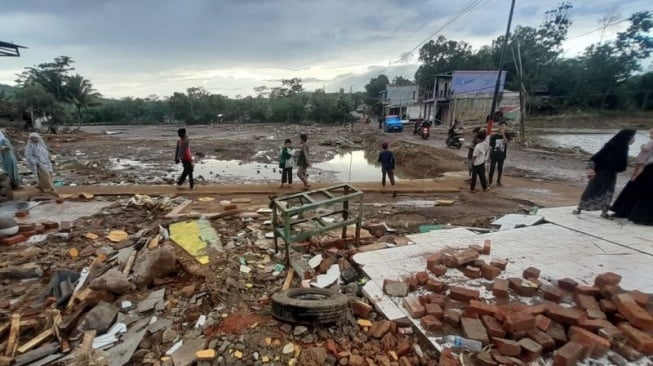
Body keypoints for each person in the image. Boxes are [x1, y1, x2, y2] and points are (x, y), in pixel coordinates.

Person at [573, 129, 636, 218]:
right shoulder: (611, 147)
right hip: (601, 172)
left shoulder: (622, 147)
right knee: (594, 191)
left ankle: (603, 211)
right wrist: (591, 169)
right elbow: (595, 157)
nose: (633, 140)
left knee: (606, 192)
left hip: (611, 174)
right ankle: (581, 208)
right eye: (632, 137)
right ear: (627, 138)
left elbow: (621, 164)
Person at [611, 128, 653, 224]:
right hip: (647, 168)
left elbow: (643, 158)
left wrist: (636, 172)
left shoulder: (650, 144)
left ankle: (629, 213)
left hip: (648, 169)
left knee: (637, 190)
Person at [488, 121, 511, 187]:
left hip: (502, 155)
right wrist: (489, 156)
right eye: (501, 126)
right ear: (498, 127)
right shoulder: (494, 136)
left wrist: (503, 134)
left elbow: (507, 143)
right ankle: (489, 181)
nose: (502, 127)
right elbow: (491, 147)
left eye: (503, 126)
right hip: (494, 155)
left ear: (506, 127)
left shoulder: (507, 135)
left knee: (500, 168)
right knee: (492, 168)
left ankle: (499, 181)